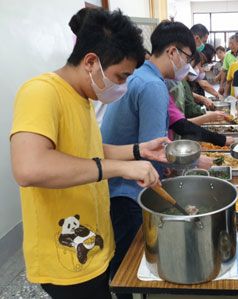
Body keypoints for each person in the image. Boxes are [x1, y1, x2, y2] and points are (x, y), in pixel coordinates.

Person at [10, 8, 169, 299]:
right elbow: (29, 167)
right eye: (120, 76)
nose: (122, 86)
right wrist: (120, 169)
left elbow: (88, 151)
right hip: (66, 254)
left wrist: (137, 151)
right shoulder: (40, 92)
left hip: (94, 237)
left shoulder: (82, 96)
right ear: (91, 62)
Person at [100, 20, 195, 298]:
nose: (187, 65)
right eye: (187, 57)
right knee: (128, 268)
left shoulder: (138, 75)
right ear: (172, 52)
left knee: (120, 257)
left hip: (113, 181)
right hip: (127, 190)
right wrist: (191, 164)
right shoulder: (152, 86)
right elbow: (154, 151)